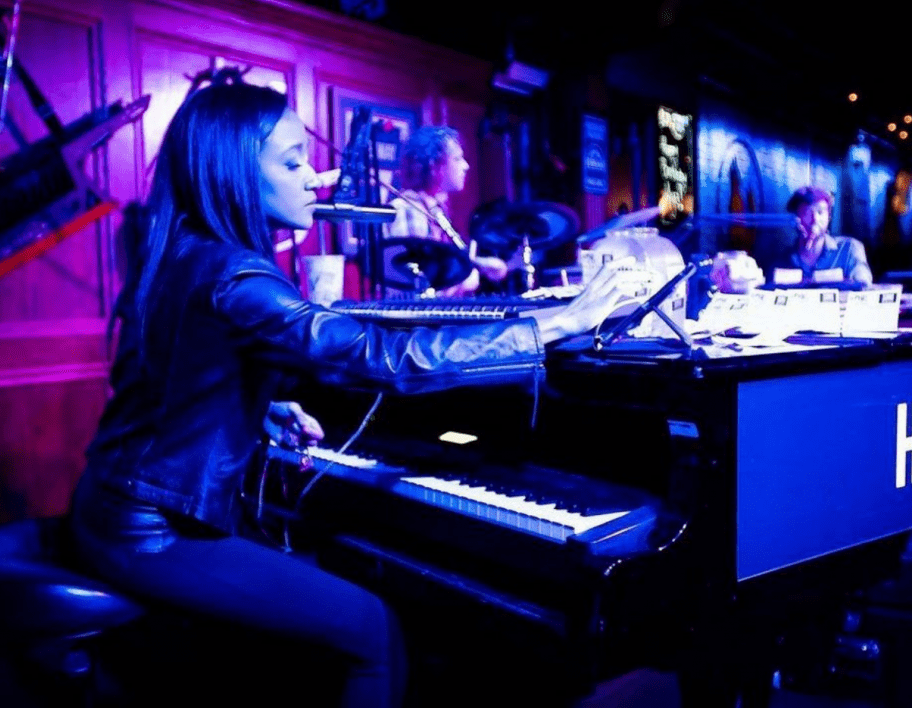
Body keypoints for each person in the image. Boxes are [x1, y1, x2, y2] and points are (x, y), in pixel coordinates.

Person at [67, 81, 643, 708]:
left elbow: (164, 379)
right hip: (149, 530)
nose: (315, 178)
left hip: (108, 501)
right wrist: (549, 324)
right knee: (374, 630)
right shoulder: (236, 273)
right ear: (233, 172)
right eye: (292, 163)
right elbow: (381, 358)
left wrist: (260, 408)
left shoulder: (179, 252)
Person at [384, 125, 507, 296]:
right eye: (457, 159)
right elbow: (417, 288)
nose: (466, 166)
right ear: (435, 166)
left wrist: (478, 263)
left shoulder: (433, 210)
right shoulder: (409, 211)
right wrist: (464, 281)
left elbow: (435, 262)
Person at [774, 186, 873, 287]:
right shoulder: (783, 259)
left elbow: (864, 285)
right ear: (795, 218)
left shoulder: (849, 249)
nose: (815, 220)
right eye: (807, 213)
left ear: (829, 217)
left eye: (820, 212)